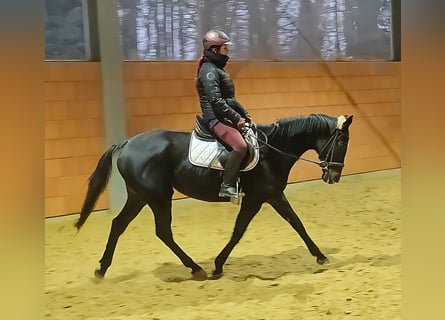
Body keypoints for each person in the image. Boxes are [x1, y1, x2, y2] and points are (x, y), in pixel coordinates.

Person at [195, 29, 252, 198]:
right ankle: (226, 186)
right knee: (241, 146)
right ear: (214, 49)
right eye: (224, 48)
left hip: (223, 116)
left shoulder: (217, 69)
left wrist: (244, 113)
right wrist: (236, 118)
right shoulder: (209, 71)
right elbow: (216, 102)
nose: (228, 50)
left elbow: (229, 99)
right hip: (214, 119)